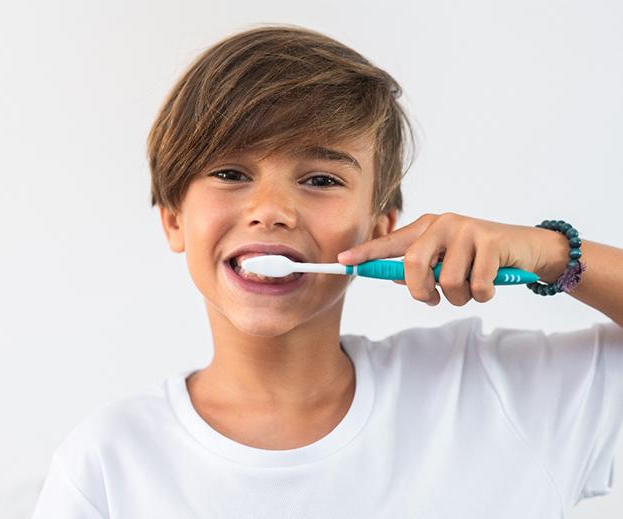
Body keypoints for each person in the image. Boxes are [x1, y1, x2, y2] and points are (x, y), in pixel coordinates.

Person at [31, 24, 623, 518]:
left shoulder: (500, 395)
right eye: (231, 174)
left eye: (320, 179)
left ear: (380, 229)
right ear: (173, 220)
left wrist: (555, 255)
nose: (272, 211)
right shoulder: (108, 466)